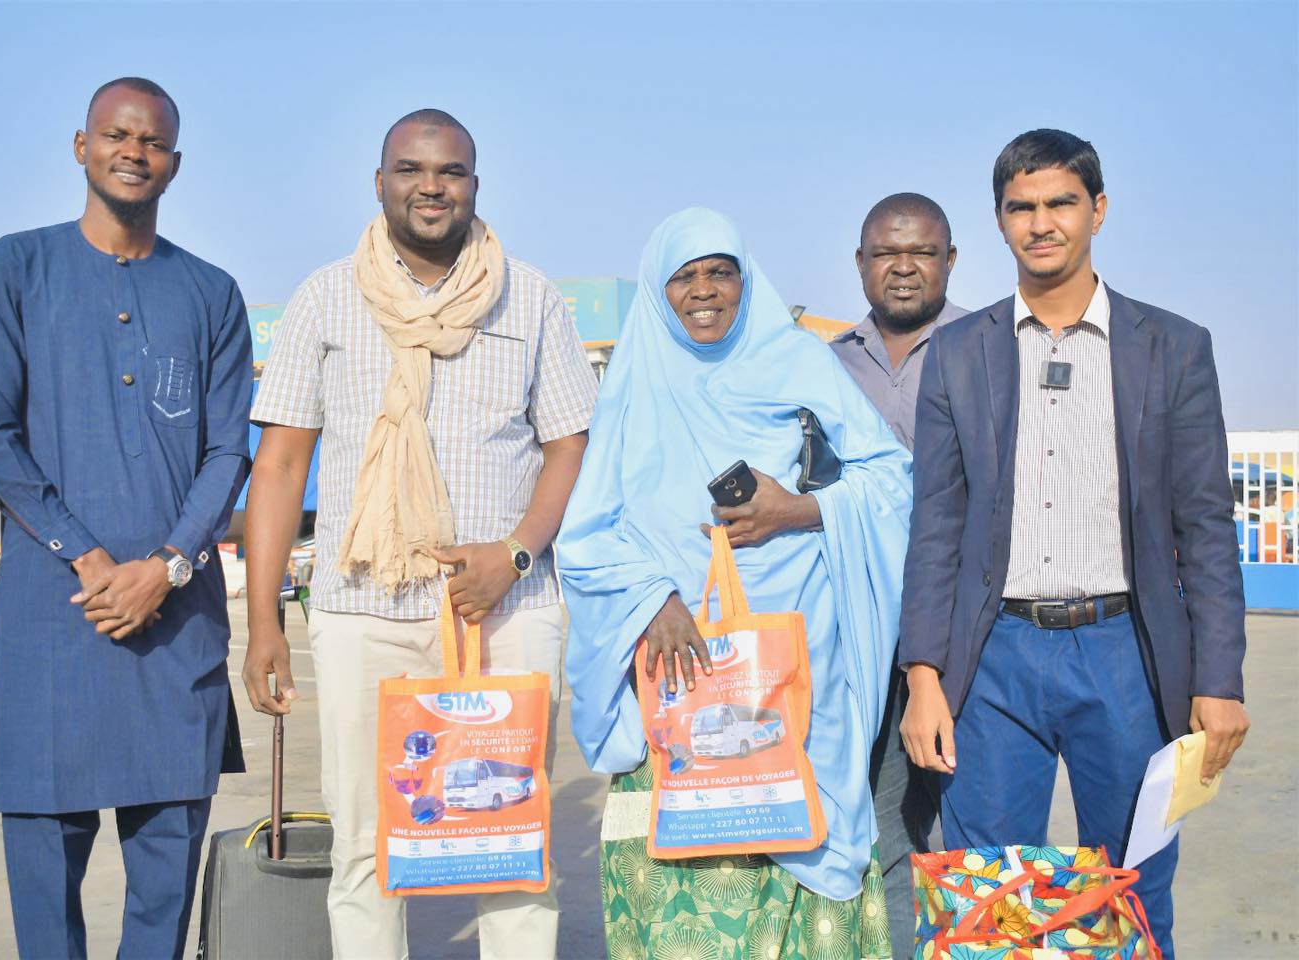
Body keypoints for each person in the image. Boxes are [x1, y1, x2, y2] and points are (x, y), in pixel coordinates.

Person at [241, 108, 596, 960]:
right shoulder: (325, 297)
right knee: (366, 846)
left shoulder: (532, 296)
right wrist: (263, 622)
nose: (430, 186)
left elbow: (568, 445)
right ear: (380, 182)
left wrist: (513, 556)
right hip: (365, 607)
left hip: (506, 612)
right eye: (410, 169)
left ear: (475, 184)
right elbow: (282, 464)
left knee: (510, 840)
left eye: (451, 172)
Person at [898, 129, 1250, 957]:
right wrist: (923, 677)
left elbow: (1205, 524)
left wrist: (1219, 678)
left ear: (1098, 210)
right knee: (985, 898)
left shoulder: (1173, 348)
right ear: (1000, 221)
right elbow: (936, 527)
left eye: (1060, 203)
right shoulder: (957, 352)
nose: (1041, 223)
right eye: (1022, 207)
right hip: (993, 662)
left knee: (1130, 885)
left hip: (1125, 653)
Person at [559, 208, 913, 960]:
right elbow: (587, 534)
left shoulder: (797, 360)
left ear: (746, 282)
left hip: (796, 644)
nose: (704, 290)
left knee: (796, 829)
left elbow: (891, 478)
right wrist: (651, 596)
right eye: (683, 276)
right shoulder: (633, 379)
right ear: (659, 292)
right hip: (674, 657)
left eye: (720, 271)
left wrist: (802, 509)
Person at [0, 77, 252, 959]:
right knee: (45, 868)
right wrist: (89, 559)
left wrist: (162, 567)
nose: (135, 151)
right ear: (80, 146)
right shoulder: (16, 267)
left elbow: (226, 452)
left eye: (154, 141)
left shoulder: (209, 292)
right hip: (57, 621)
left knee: (168, 870)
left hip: (176, 628)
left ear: (175, 162)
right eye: (116, 134)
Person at [829, 192, 967, 950]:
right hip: (861, 622)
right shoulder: (823, 364)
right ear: (861, 264)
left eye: (921, 252)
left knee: (965, 814)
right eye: (886, 253)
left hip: (964, 621)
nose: (904, 267)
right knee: (881, 814)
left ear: (950, 260)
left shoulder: (987, 346)